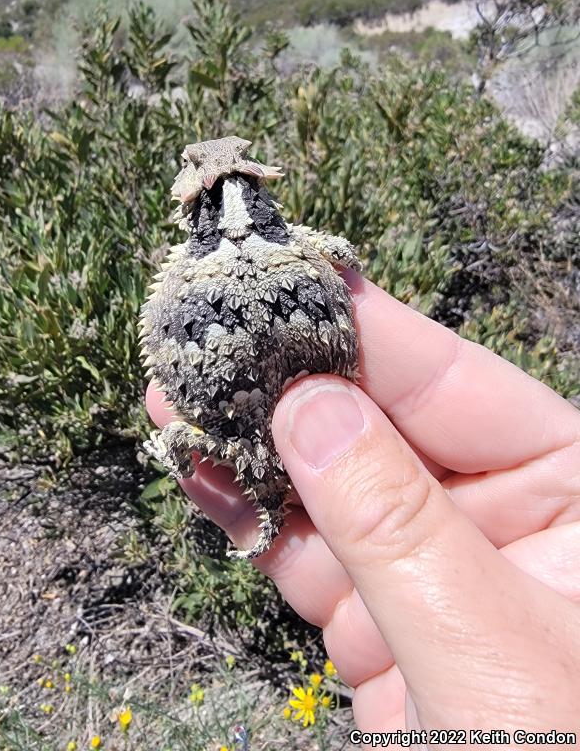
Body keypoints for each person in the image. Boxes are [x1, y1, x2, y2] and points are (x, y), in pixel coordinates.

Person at [146, 273, 580, 736]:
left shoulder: (188, 275)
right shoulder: (274, 251)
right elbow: (344, 258)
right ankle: (219, 472)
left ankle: (205, 462)